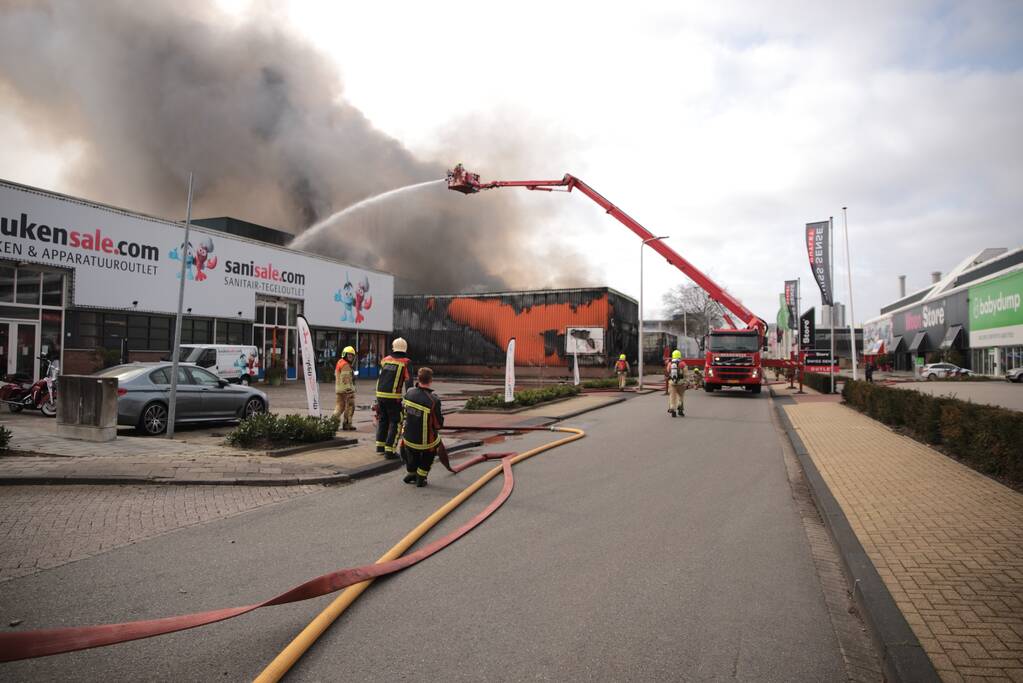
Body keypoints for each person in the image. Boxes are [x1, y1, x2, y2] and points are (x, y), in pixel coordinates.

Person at [400, 367, 444, 487]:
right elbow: (438, 424)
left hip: (407, 439)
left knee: (407, 449)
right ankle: (421, 476)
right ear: (430, 380)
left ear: (418, 379)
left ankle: (411, 472)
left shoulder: (409, 393)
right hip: (425, 442)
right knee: (434, 446)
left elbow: (403, 413)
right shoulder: (433, 400)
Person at [375, 337, 413, 459]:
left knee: (383, 420)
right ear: (405, 348)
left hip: (380, 395)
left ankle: (380, 447)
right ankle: (390, 451)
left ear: (393, 347)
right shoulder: (406, 362)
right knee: (396, 422)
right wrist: (410, 397)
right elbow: (408, 381)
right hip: (393, 397)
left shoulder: (385, 360)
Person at [333, 346, 357, 431]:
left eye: (352, 355)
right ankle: (347, 424)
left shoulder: (340, 362)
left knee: (339, 407)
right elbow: (346, 379)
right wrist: (349, 391)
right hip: (346, 390)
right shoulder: (346, 365)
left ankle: (333, 423)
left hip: (339, 389)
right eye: (349, 355)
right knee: (350, 407)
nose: (351, 357)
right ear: (345, 355)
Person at [665, 349, 689, 417]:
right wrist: (687, 382)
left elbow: (668, 371)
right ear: (679, 355)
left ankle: (673, 409)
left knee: (672, 397)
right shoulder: (683, 363)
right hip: (681, 383)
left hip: (672, 383)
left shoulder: (670, 363)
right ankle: (680, 409)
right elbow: (686, 374)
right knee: (680, 396)